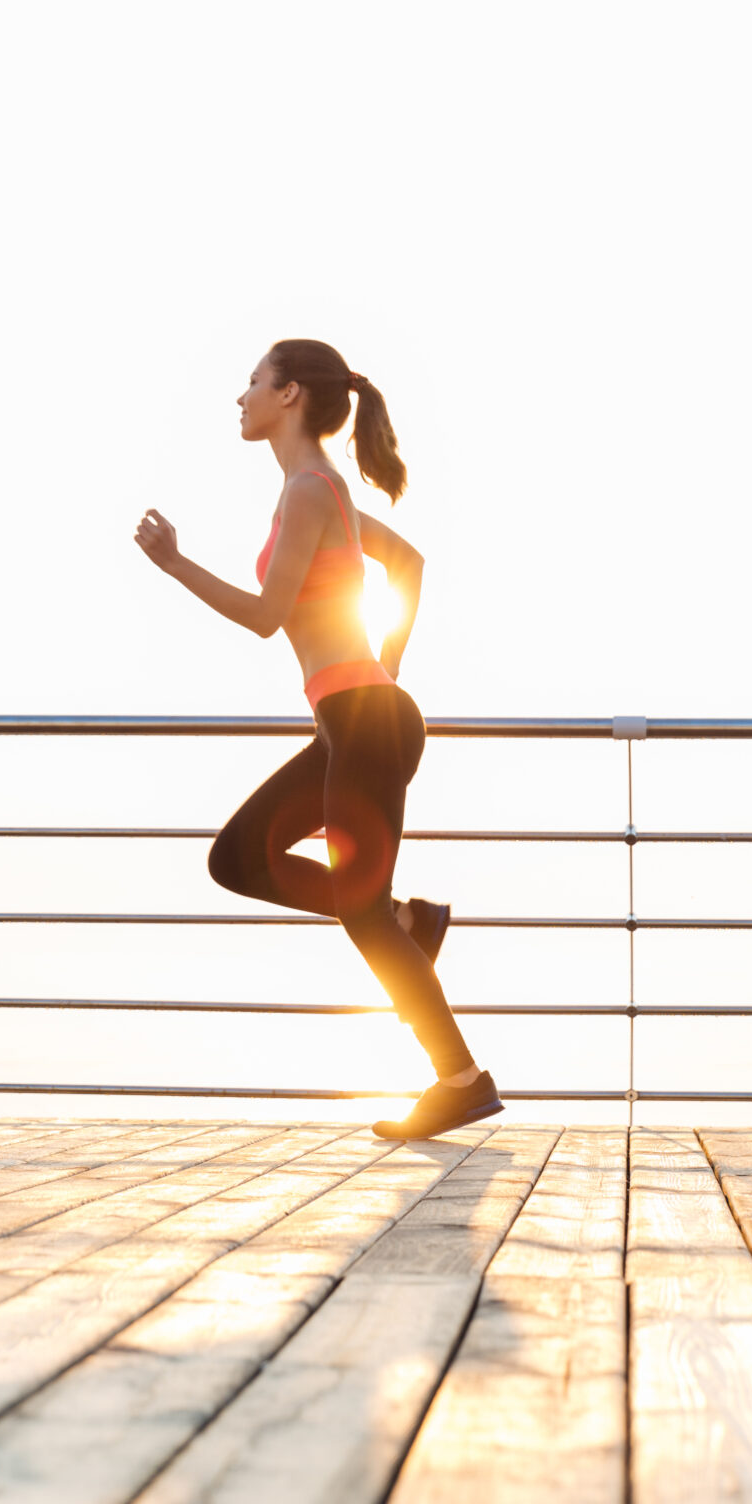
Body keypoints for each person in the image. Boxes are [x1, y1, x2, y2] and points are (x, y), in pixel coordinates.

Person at [134, 339, 498, 1141]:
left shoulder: (308, 490)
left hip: (364, 720)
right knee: (240, 858)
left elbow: (268, 616)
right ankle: (409, 923)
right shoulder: (321, 489)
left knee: (357, 911)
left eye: (254, 381)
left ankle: (461, 1077)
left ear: (290, 394)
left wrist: (175, 564)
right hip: (356, 720)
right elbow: (409, 562)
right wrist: (381, 671)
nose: (241, 396)